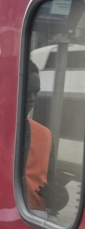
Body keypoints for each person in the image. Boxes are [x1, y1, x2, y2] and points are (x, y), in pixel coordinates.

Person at [23, 60, 68, 215]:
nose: (32, 99)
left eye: (36, 92)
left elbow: (51, 181)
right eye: (27, 91)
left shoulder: (44, 134)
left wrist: (60, 197)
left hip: (35, 219)